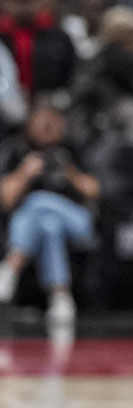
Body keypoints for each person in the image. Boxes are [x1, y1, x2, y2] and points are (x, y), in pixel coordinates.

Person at [0, 96, 100, 326]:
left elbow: (95, 191)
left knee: (36, 201)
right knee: (49, 226)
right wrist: (25, 173)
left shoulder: (73, 148)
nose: (47, 126)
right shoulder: (17, 151)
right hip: (35, 227)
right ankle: (60, 296)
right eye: (40, 120)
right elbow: (6, 200)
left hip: (78, 221)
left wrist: (71, 173)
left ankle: (11, 266)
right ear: (29, 123)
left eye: (52, 120)